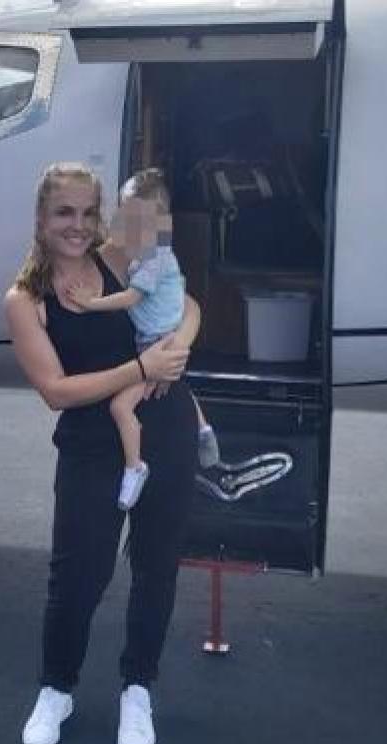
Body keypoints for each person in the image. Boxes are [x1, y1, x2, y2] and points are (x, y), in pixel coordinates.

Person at [3, 162, 201, 744]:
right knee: (77, 577)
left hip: (166, 430)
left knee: (155, 569)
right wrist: (143, 368)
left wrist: (178, 349)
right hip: (91, 448)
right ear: (41, 219)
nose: (78, 226)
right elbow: (57, 391)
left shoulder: (119, 258)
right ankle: (56, 689)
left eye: (89, 213)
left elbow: (189, 301)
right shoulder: (26, 300)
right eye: (65, 213)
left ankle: (137, 688)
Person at [65, 169, 220, 511]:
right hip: (110, 422)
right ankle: (201, 430)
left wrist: (175, 347)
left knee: (123, 406)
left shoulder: (150, 258)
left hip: (161, 385)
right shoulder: (125, 258)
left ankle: (137, 467)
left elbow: (185, 305)